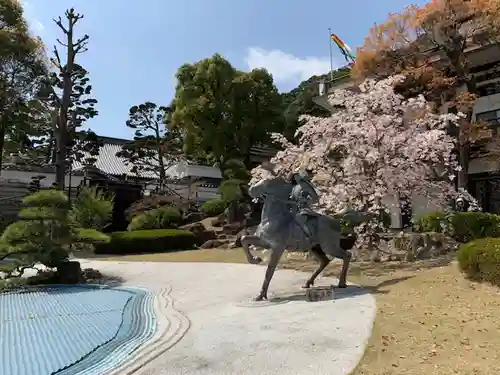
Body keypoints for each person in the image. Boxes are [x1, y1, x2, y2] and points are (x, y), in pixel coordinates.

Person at [289, 169, 319, 239]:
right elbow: (292, 199)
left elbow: (315, 198)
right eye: (295, 177)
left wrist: (306, 200)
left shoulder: (306, 186)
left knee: (299, 219)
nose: (296, 178)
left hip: (305, 209)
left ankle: (309, 235)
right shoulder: (294, 187)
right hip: (294, 209)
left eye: (297, 176)